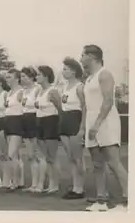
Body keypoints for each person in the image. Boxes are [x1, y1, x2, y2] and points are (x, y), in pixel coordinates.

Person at [80, 45, 128, 212]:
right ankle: (102, 201)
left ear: (92, 57)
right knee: (97, 164)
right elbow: (87, 106)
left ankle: (128, 201)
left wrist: (97, 124)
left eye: (83, 55)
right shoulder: (88, 79)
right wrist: (86, 127)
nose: (80, 58)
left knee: (114, 162)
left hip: (106, 122)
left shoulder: (105, 74)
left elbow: (108, 101)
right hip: (92, 122)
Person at [59, 57, 86, 199]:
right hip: (65, 122)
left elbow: (84, 107)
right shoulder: (64, 87)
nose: (63, 71)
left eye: (66, 69)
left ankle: (80, 188)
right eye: (63, 69)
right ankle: (75, 187)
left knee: (77, 158)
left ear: (74, 71)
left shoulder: (80, 87)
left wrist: (82, 128)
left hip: (75, 121)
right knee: (70, 157)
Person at [35, 65, 62, 194]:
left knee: (52, 156)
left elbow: (60, 109)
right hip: (40, 121)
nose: (36, 77)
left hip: (51, 122)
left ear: (46, 76)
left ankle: (54, 184)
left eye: (39, 74)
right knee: (43, 155)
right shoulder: (39, 91)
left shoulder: (53, 91)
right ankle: (48, 183)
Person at [20, 67, 43, 193]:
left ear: (31, 76)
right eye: (21, 77)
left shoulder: (37, 88)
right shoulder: (23, 91)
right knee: (30, 155)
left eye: (24, 76)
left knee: (37, 153)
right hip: (25, 119)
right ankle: (33, 184)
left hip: (34, 119)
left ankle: (40, 184)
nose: (22, 79)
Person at [3, 69, 25, 190]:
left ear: (17, 78)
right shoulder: (8, 93)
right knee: (15, 155)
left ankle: (15, 182)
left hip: (17, 122)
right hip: (8, 122)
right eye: (6, 77)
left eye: (10, 77)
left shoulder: (21, 92)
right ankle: (18, 181)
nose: (7, 79)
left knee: (11, 153)